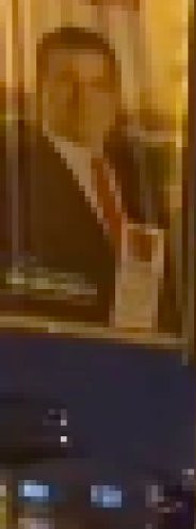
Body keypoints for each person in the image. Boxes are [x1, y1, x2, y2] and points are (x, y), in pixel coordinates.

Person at [0, 25, 172, 331]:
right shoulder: (14, 175)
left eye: (98, 85)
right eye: (67, 81)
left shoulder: (139, 177)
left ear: (115, 98)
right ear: (40, 91)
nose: (84, 98)